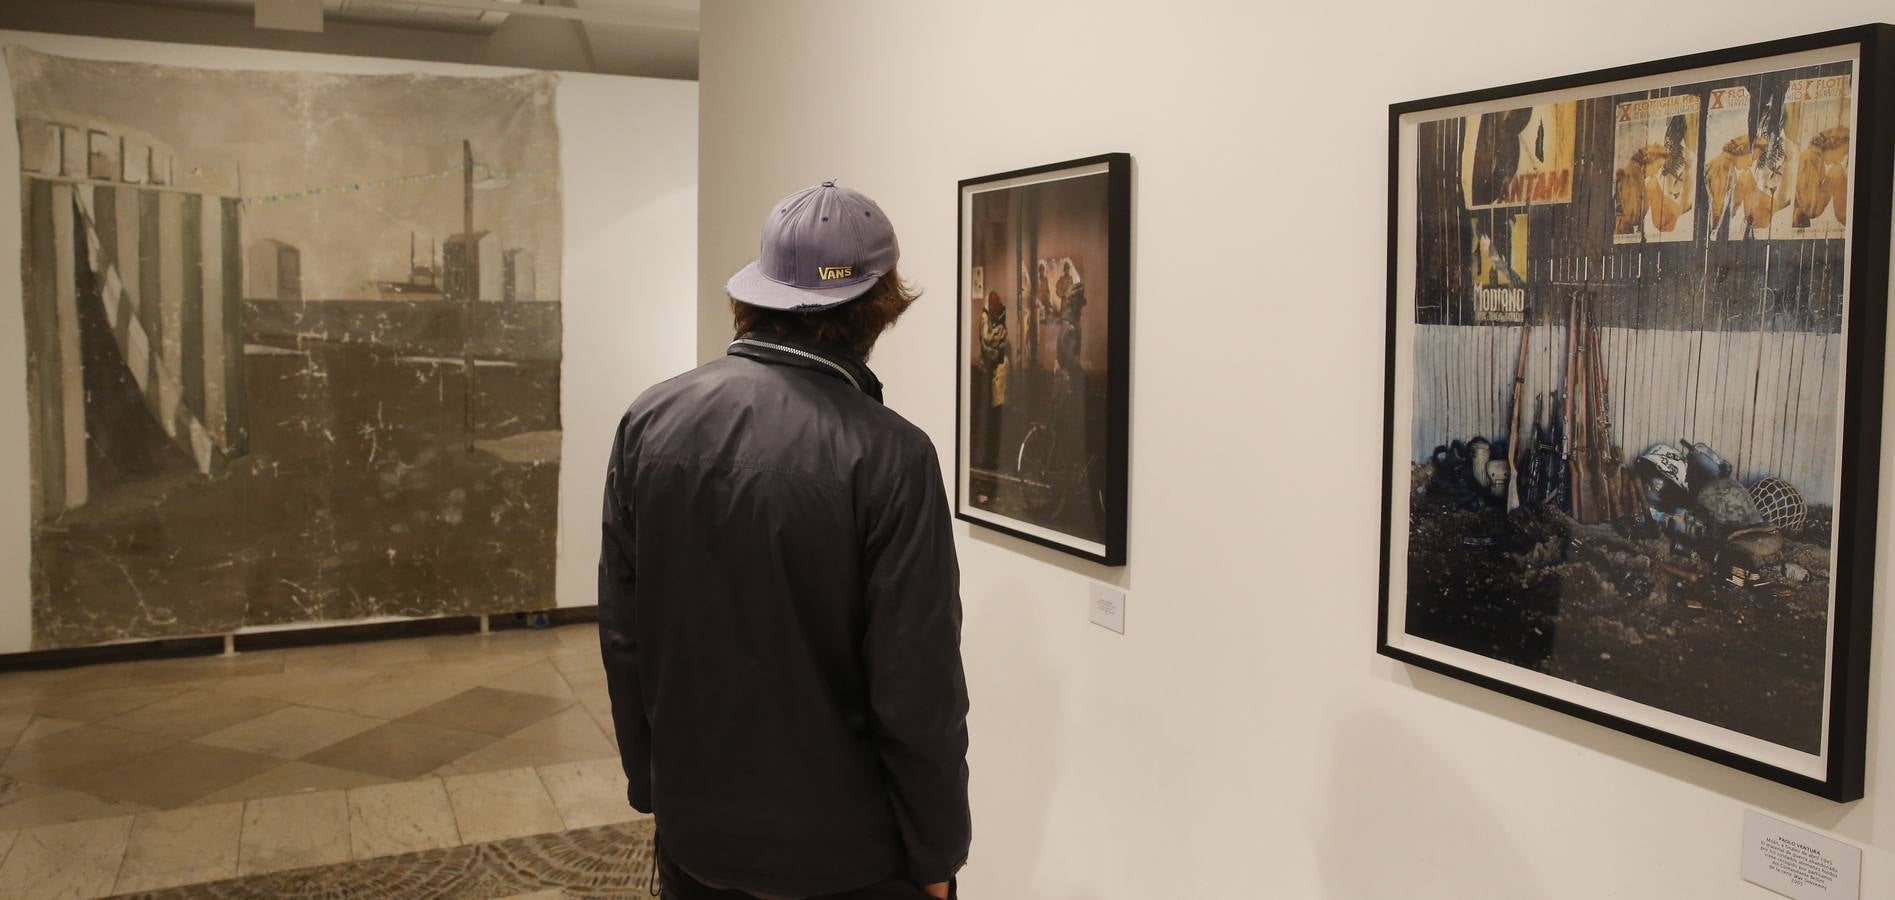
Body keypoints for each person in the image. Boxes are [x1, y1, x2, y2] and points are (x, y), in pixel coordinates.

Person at [598, 181, 971, 900]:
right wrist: (937, 854)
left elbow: (624, 636)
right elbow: (916, 685)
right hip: (847, 854)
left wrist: (652, 786)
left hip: (695, 832)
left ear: (759, 292)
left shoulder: (649, 420)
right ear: (878, 305)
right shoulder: (892, 455)